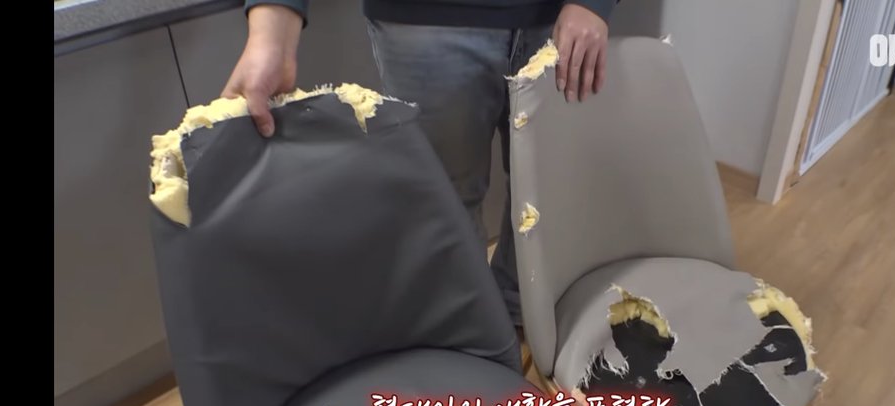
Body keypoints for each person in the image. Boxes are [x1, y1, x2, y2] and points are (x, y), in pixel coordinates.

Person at [224, 0, 617, 328]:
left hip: (559, 16)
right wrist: (271, 34)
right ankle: (472, 335)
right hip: (425, 19)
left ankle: (516, 317)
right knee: (445, 205)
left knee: (544, 195)